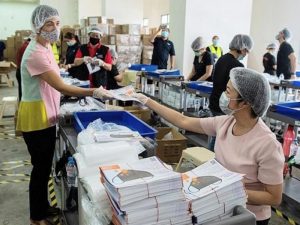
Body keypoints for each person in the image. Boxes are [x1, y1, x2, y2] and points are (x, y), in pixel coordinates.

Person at [132, 67, 284, 225]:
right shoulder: (226, 122)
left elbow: (274, 197)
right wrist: (147, 101)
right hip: (221, 206)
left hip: (248, 216)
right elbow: (183, 121)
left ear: (245, 102)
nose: (223, 96)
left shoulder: (267, 144)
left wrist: (228, 189)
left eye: (228, 91)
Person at [16, 5, 111, 225]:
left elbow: (54, 78)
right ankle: (36, 217)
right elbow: (62, 86)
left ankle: (43, 208)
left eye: (57, 23)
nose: (55, 28)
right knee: (40, 169)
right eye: (49, 23)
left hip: (46, 111)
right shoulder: (35, 53)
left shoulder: (46, 46)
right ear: (38, 26)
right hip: (36, 116)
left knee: (45, 165)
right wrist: (93, 91)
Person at [209, 34, 253, 116]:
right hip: (224, 107)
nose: (245, 54)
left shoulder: (221, 59)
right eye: (246, 52)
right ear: (242, 49)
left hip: (214, 102)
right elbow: (239, 90)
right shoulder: (238, 66)